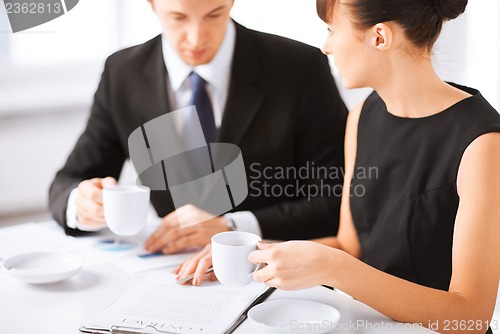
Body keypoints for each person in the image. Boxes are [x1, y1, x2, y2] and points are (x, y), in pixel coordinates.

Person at [177, 0, 500, 332]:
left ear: (379, 37)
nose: (326, 46)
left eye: (332, 30)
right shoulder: (362, 116)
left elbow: (471, 316)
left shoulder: (482, 141)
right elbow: (350, 246)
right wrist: (252, 255)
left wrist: (337, 269)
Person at [48, 0, 348, 253]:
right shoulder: (122, 72)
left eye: (214, 14)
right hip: (168, 269)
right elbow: (68, 180)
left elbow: (338, 197)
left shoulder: (299, 67)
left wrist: (233, 227)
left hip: (276, 267)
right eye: (178, 17)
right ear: (152, 4)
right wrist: (82, 203)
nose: (196, 38)